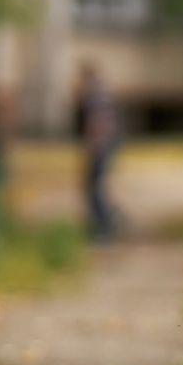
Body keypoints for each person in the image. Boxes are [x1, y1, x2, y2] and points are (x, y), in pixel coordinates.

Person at [76, 64, 121, 241]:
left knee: (93, 187)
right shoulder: (102, 94)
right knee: (95, 186)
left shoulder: (94, 97)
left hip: (100, 146)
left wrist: (94, 148)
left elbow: (97, 125)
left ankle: (104, 225)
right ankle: (106, 220)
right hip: (105, 145)